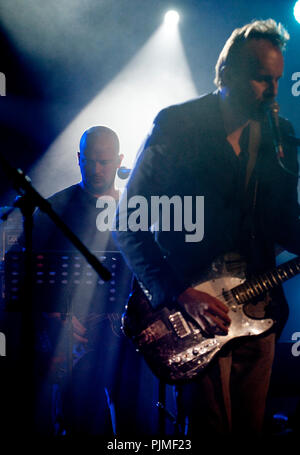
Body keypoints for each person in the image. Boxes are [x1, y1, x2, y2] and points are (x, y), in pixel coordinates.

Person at [113, 19, 300, 437]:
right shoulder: (178, 126)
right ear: (227, 73)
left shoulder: (279, 135)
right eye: (260, 79)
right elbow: (129, 221)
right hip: (195, 310)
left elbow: (284, 222)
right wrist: (179, 293)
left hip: (260, 312)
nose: (273, 92)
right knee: (210, 429)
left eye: (277, 80)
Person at [18, 125, 133, 435]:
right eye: (89, 161)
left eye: (105, 162)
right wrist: (53, 317)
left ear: (120, 160)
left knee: (136, 422)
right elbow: (22, 270)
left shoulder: (134, 209)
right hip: (74, 339)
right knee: (80, 423)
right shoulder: (54, 209)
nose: (96, 169)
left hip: (126, 339)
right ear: (78, 158)